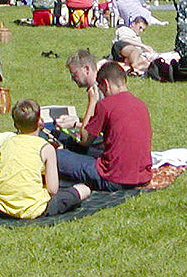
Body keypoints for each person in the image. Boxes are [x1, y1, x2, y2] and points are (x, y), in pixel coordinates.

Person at [0, 99, 91, 219]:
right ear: (40, 121)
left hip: (3, 207)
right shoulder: (46, 148)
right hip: (34, 207)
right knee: (84, 189)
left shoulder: (6, 143)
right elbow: (53, 189)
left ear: (15, 124)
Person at [56, 63, 152, 191]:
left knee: (56, 155)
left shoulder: (105, 105)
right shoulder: (141, 105)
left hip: (114, 178)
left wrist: (92, 102)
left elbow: (85, 140)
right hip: (143, 176)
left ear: (105, 84)